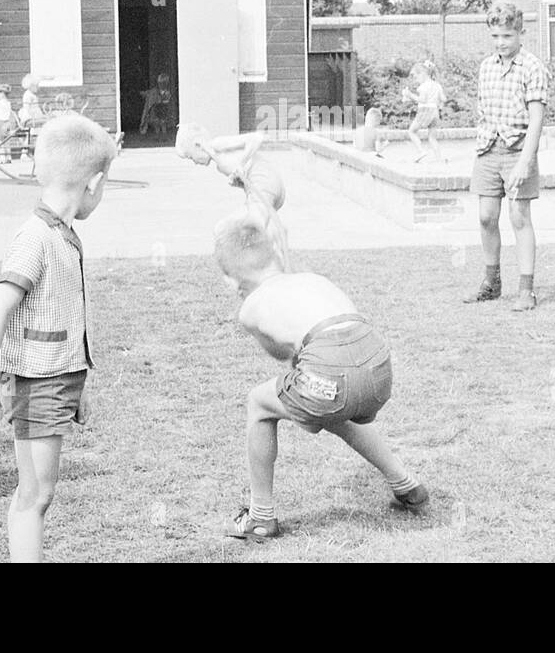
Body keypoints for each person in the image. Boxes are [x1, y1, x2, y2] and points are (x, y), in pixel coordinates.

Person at [0, 115, 115, 562]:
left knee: (39, 491)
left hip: (57, 381)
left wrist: (75, 385)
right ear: (94, 182)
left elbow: (64, 313)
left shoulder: (65, 235)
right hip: (34, 382)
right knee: (36, 494)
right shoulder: (35, 238)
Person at [214, 211, 426, 541]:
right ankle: (404, 482)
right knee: (335, 410)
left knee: (259, 404)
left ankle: (260, 517)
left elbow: (286, 357)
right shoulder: (313, 279)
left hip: (332, 372)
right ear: (275, 255)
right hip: (379, 365)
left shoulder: (250, 307)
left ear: (231, 281)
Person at [465, 3, 548, 313]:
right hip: (488, 148)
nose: (501, 42)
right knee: (486, 216)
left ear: (520, 33)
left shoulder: (532, 67)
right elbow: (483, 109)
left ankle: (526, 289)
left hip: (518, 149)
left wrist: (526, 160)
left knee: (518, 217)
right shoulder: (486, 66)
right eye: (496, 35)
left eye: (507, 35)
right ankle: (491, 283)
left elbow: (537, 119)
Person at [177, 124, 290, 269]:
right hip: (259, 187)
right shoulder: (219, 164)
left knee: (255, 227)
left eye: (190, 156)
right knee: (228, 228)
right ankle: (265, 263)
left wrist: (241, 164)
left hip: (263, 179)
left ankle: (266, 266)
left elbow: (256, 139)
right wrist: (239, 182)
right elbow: (245, 176)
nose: (194, 162)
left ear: (198, 144)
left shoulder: (217, 145)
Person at [401, 60, 446, 162]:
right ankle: (439, 159)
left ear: (423, 74)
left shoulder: (424, 86)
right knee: (432, 137)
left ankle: (421, 151)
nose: (416, 80)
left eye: (416, 77)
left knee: (412, 131)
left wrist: (409, 95)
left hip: (425, 111)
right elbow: (443, 99)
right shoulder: (437, 85)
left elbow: (422, 100)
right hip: (435, 112)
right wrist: (439, 104)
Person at [0, 85, 19, 164]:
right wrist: (17, 122)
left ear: (1, 93)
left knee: (0, 141)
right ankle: (8, 157)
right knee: (6, 141)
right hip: (7, 123)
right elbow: (12, 113)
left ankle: (2, 157)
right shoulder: (8, 103)